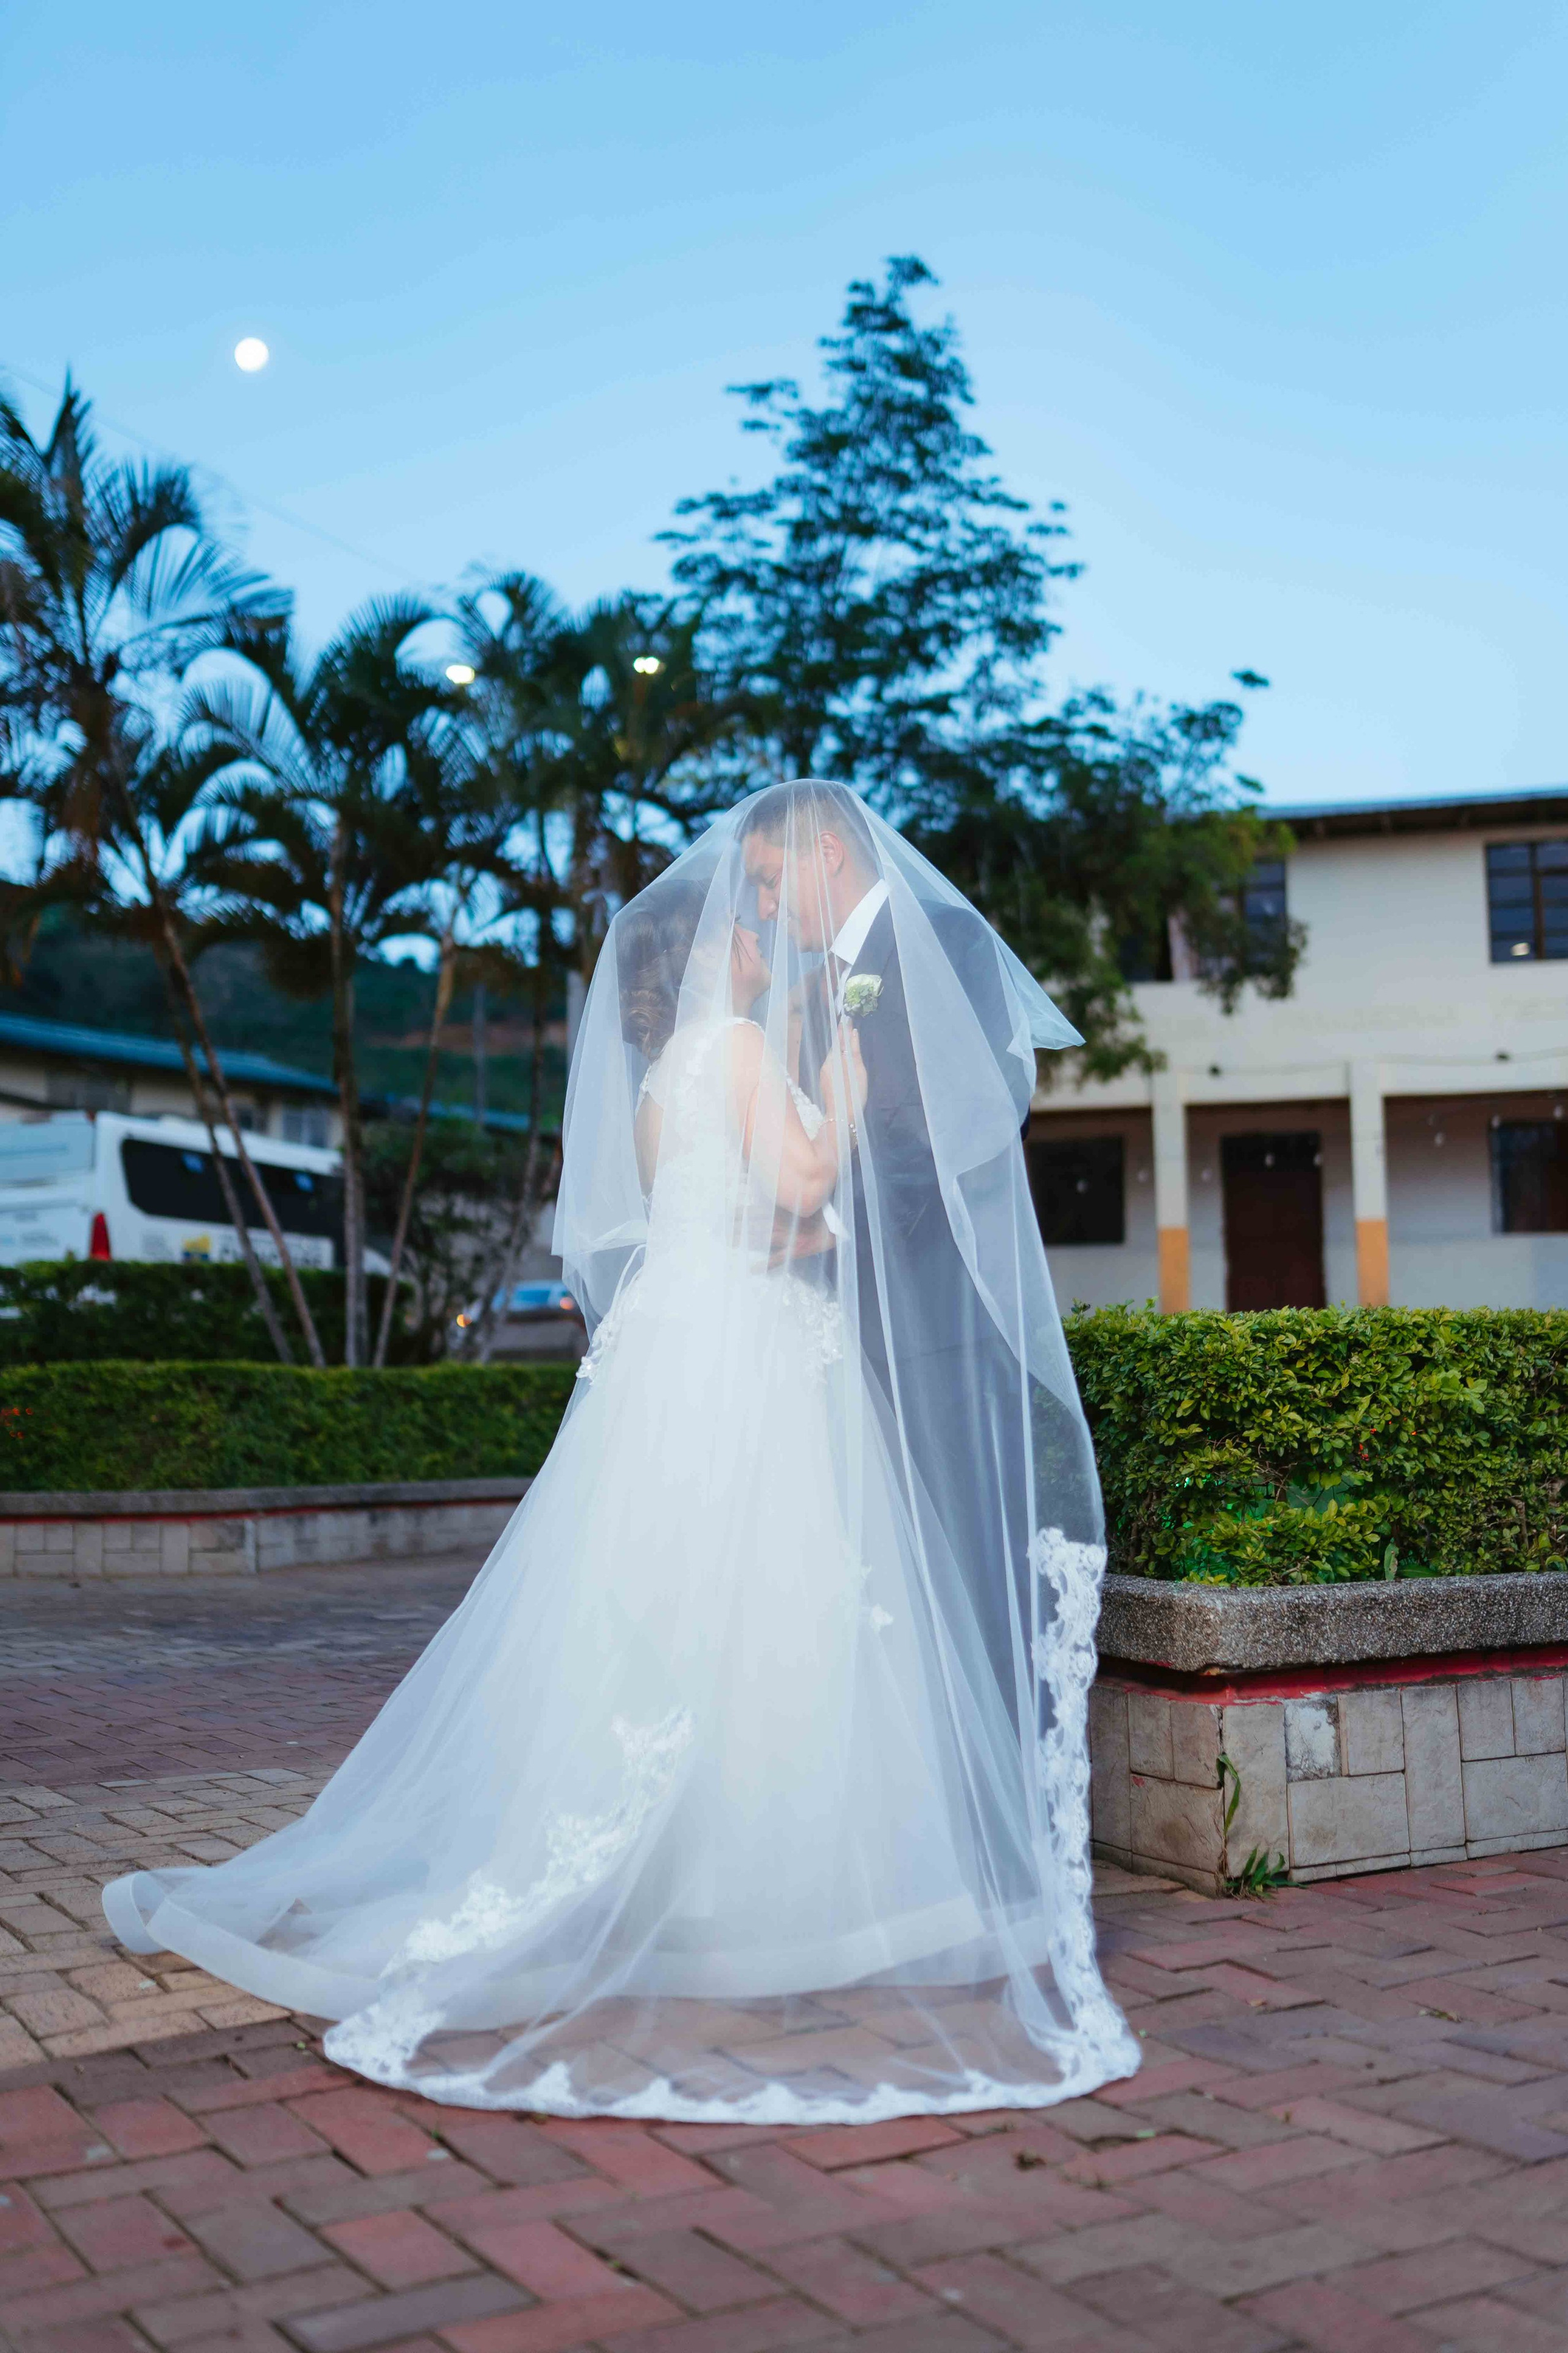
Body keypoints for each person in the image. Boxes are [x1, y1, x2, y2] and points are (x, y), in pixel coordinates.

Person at [102, 781, 1135, 2123]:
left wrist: (798, 1201)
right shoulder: (759, 1050)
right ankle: (784, 1883)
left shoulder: (666, 1080)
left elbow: (719, 1215)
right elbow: (810, 1188)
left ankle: (690, 1873)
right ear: (712, 953)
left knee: (666, 1599)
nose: (760, 917)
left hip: (689, 1345)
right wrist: (829, 1091)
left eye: (767, 892)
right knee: (782, 1608)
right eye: (746, 910)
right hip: (764, 1354)